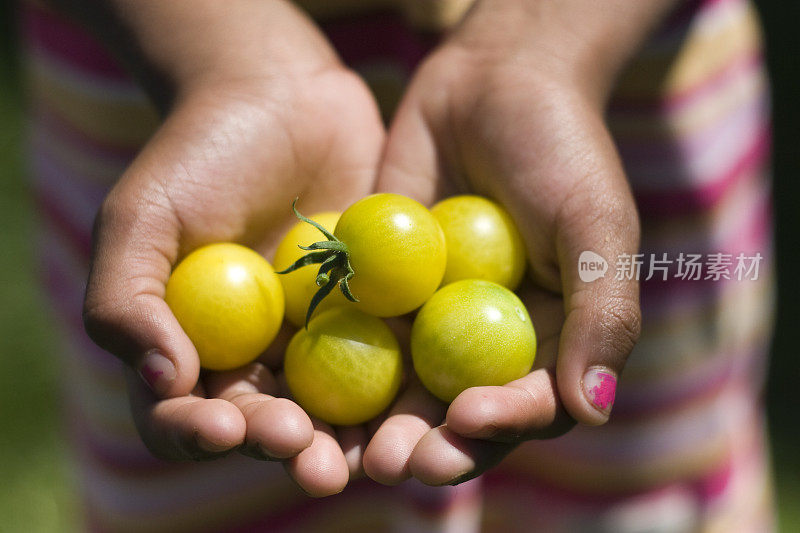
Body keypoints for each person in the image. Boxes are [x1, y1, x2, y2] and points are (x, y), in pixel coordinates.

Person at [24, 0, 775, 530]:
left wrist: (546, 43)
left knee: (637, 486)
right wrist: (223, 54)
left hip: (613, 59)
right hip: (166, 65)